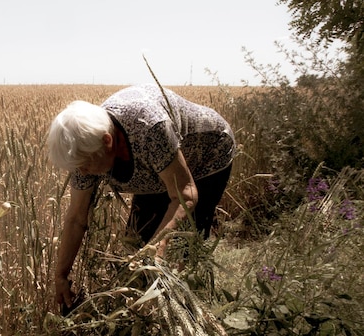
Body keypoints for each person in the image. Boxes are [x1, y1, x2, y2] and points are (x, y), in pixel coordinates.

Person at [46, 84, 236, 309]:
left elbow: (186, 194)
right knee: (136, 246)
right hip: (158, 167)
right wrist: (60, 275)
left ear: (107, 141)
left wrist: (157, 248)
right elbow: (76, 218)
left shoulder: (149, 129)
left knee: (182, 249)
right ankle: (144, 317)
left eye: (85, 165)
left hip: (207, 155)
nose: (82, 173)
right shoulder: (85, 151)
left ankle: (190, 311)